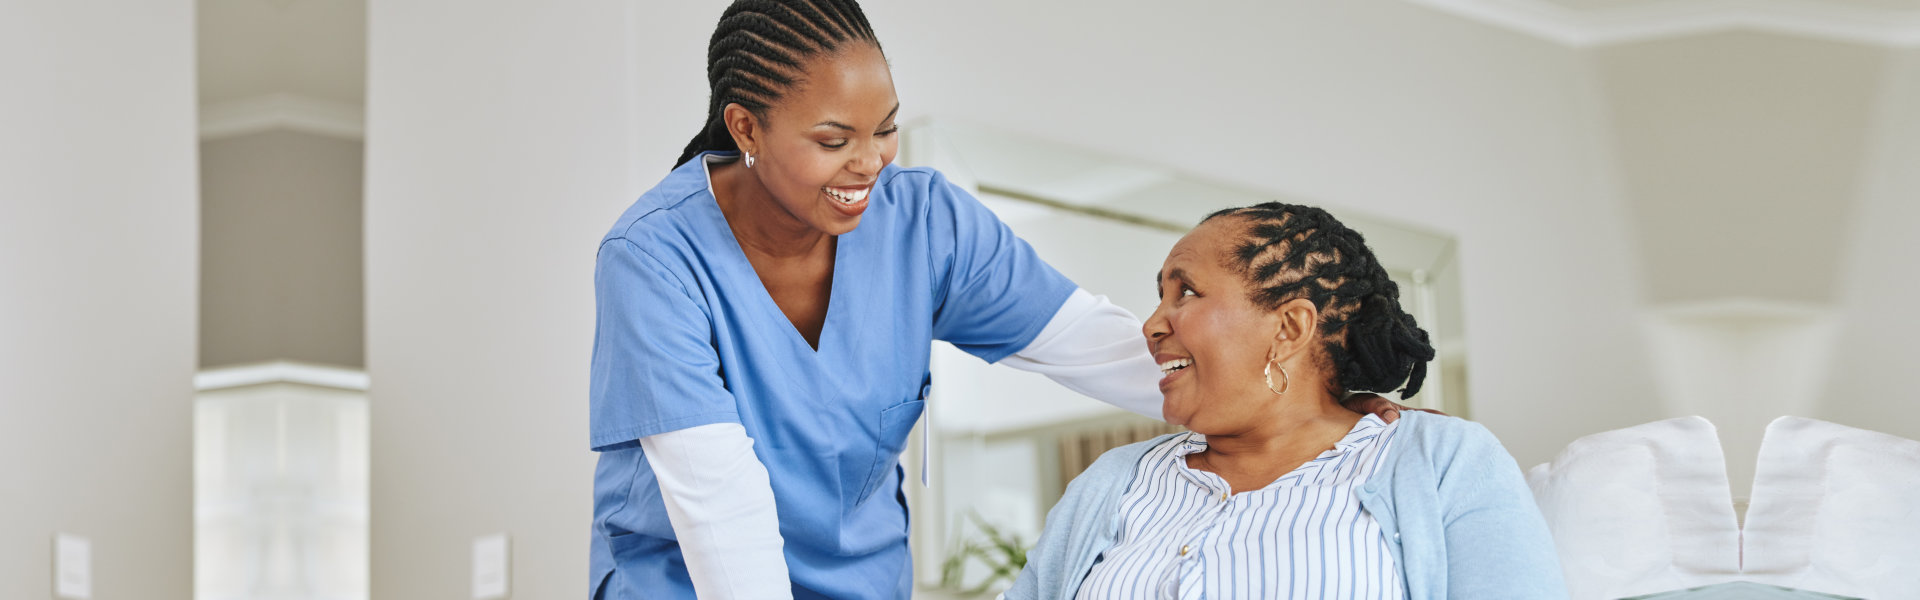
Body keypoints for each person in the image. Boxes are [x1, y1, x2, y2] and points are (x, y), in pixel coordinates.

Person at [588, 3, 1415, 598]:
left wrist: (1316, 401)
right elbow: (717, 498)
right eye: (834, 140)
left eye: (886, 129)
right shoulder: (654, 257)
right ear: (746, 127)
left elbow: (1092, 344)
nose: (871, 161)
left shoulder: (922, 221)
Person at [1006, 203, 1566, 599]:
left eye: (1187, 292)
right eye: (1161, 298)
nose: (1152, 324)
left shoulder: (1441, 460)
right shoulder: (1113, 481)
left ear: (1291, 327)